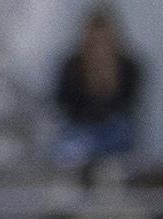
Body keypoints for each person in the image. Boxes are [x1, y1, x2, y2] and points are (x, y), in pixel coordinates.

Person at [52, 6, 144, 183]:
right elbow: (64, 105)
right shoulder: (72, 65)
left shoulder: (128, 66)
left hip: (114, 130)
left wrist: (107, 81)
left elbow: (129, 105)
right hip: (81, 131)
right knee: (68, 147)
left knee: (121, 132)